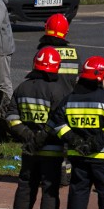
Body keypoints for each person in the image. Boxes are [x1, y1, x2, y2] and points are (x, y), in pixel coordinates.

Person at [47, 56, 104, 209]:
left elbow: (57, 124)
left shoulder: (69, 100)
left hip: (78, 157)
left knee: (78, 193)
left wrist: (77, 142)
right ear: (98, 77)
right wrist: (93, 145)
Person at [6, 47, 67, 209]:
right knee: (50, 189)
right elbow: (61, 121)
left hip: (29, 150)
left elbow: (12, 117)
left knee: (25, 186)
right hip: (52, 150)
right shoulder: (58, 90)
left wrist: (26, 135)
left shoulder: (22, 88)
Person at [38, 13, 81, 185]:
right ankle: (66, 173)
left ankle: (47, 173)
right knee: (66, 141)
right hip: (68, 102)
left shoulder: (44, 51)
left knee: (48, 140)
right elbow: (76, 80)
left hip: (49, 102)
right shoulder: (73, 53)